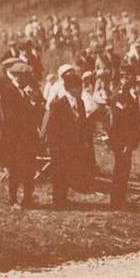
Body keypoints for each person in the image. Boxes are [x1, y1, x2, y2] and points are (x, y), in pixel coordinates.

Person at [0, 62, 43, 210]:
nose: (24, 79)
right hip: (14, 137)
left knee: (29, 168)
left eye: (26, 76)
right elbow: (9, 116)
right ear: (15, 75)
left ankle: (28, 198)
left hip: (28, 136)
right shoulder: (8, 91)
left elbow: (37, 111)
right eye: (21, 76)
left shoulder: (28, 91)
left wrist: (33, 101)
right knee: (15, 169)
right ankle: (13, 199)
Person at [40, 67, 88, 208]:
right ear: (67, 89)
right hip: (59, 145)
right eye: (75, 88)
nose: (78, 91)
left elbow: (83, 124)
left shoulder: (81, 104)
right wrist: (53, 146)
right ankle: (57, 200)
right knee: (58, 173)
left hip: (73, 143)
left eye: (80, 88)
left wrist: (83, 140)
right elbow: (52, 127)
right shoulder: (58, 104)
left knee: (67, 171)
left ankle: (63, 197)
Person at [107, 79, 140, 207]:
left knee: (124, 169)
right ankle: (117, 199)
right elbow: (121, 125)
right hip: (121, 141)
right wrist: (126, 143)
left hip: (125, 141)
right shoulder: (121, 101)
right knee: (121, 169)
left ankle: (119, 198)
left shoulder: (128, 100)